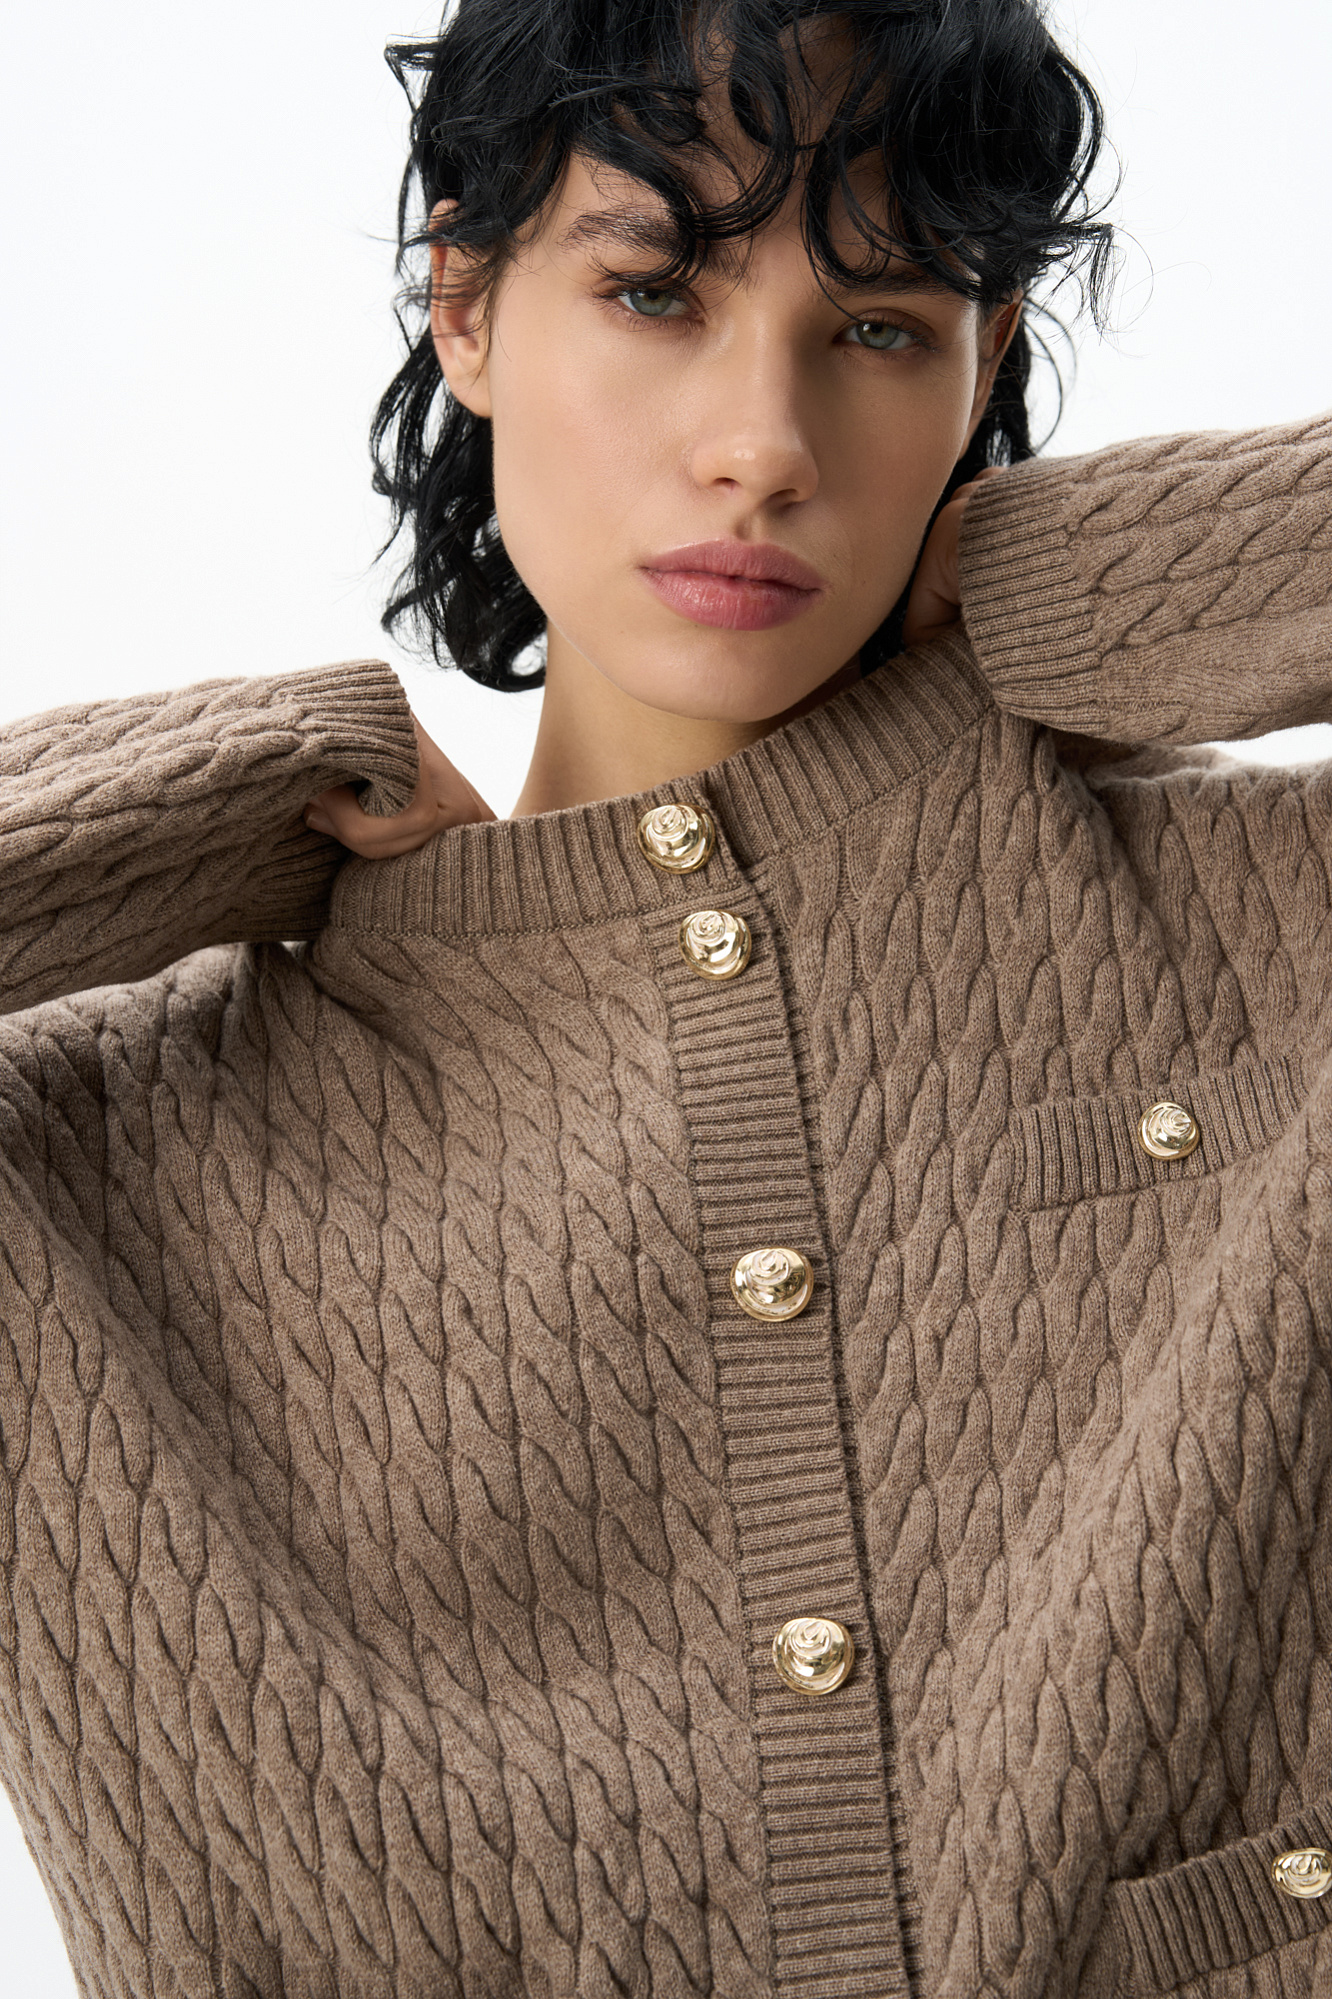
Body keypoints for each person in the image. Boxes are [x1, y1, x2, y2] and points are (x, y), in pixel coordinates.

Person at [0, 0, 1329, 1993]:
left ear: (986, 371)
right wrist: (223, 791)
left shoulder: (1268, 918)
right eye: (653, 291)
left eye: (881, 328)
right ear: (464, 304)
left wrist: (1076, 576)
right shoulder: (100, 1157)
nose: (765, 446)